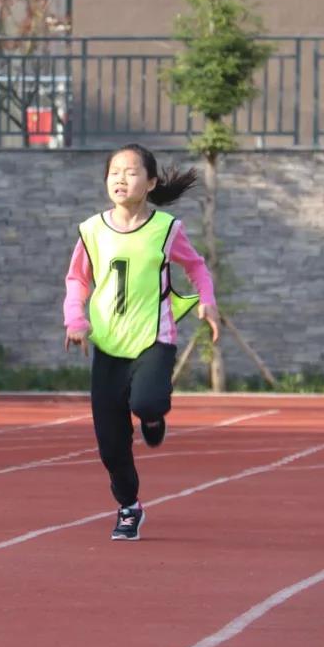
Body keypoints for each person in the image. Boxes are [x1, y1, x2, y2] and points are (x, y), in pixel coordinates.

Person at [63, 143, 220, 541]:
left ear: (150, 183)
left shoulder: (166, 229)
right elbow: (77, 279)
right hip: (108, 345)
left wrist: (207, 301)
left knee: (147, 401)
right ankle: (129, 507)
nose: (121, 179)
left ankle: (152, 417)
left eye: (131, 172)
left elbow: (196, 266)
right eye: (114, 172)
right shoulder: (92, 230)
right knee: (110, 444)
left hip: (154, 337)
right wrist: (75, 320)